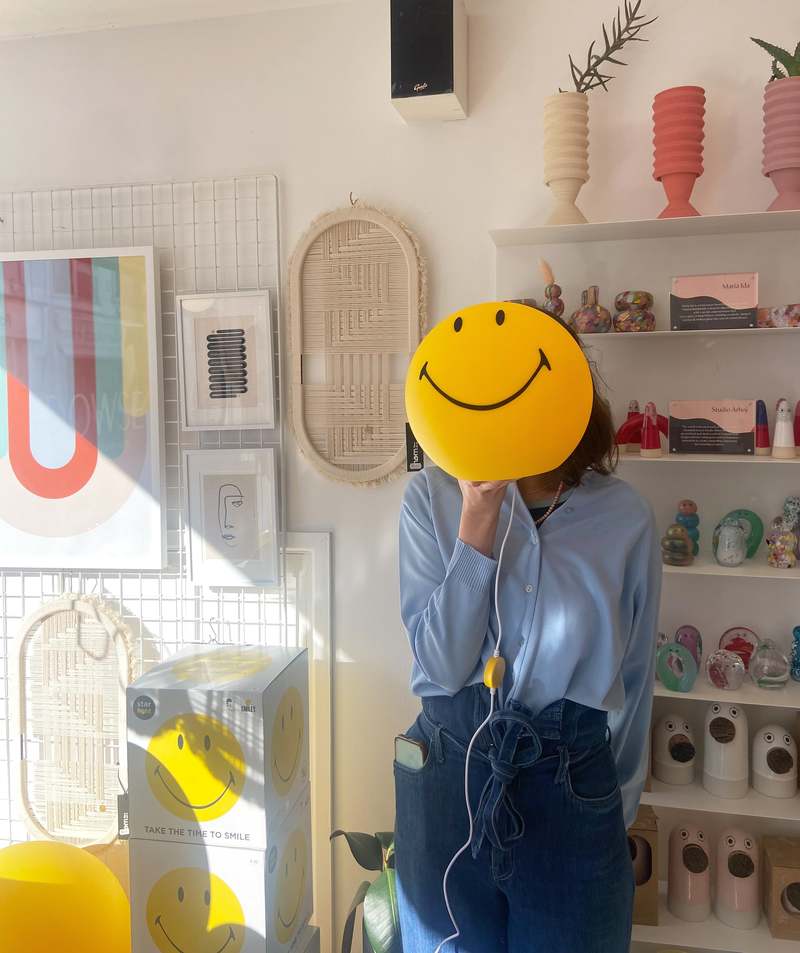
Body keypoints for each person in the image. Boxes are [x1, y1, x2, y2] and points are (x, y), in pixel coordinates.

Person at [395, 360, 662, 953]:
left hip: (573, 781)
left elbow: (636, 676)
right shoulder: (429, 499)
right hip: (447, 770)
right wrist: (478, 517)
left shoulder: (625, 517)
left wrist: (610, 809)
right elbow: (440, 667)